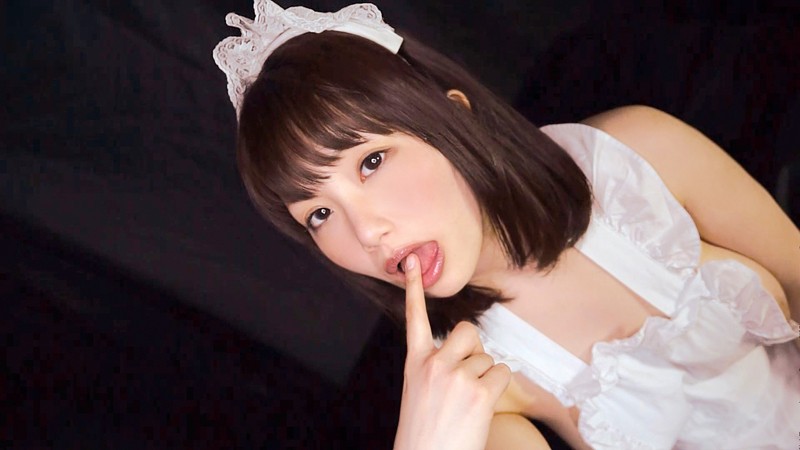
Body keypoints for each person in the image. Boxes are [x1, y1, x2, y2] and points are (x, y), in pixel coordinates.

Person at [213, 1, 800, 449]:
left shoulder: (636, 158)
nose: (367, 234)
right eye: (318, 215)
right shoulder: (480, 382)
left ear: (453, 116)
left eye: (371, 162)